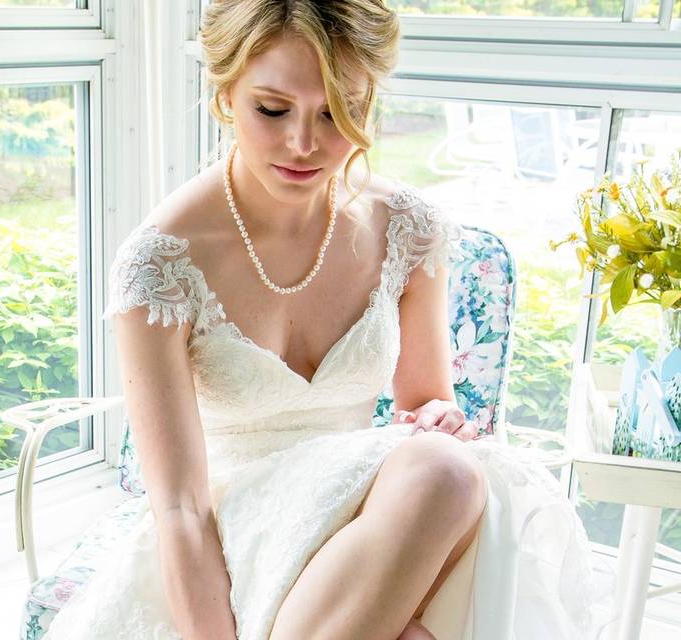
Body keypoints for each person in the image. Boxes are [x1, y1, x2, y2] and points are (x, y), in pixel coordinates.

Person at [42, 1, 616, 639]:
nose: (306, 144)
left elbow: (426, 402)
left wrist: (435, 416)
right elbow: (180, 506)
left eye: (338, 112)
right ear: (226, 94)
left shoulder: (408, 228)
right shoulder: (161, 262)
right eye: (272, 109)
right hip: (234, 536)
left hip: (361, 517)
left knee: (447, 469)